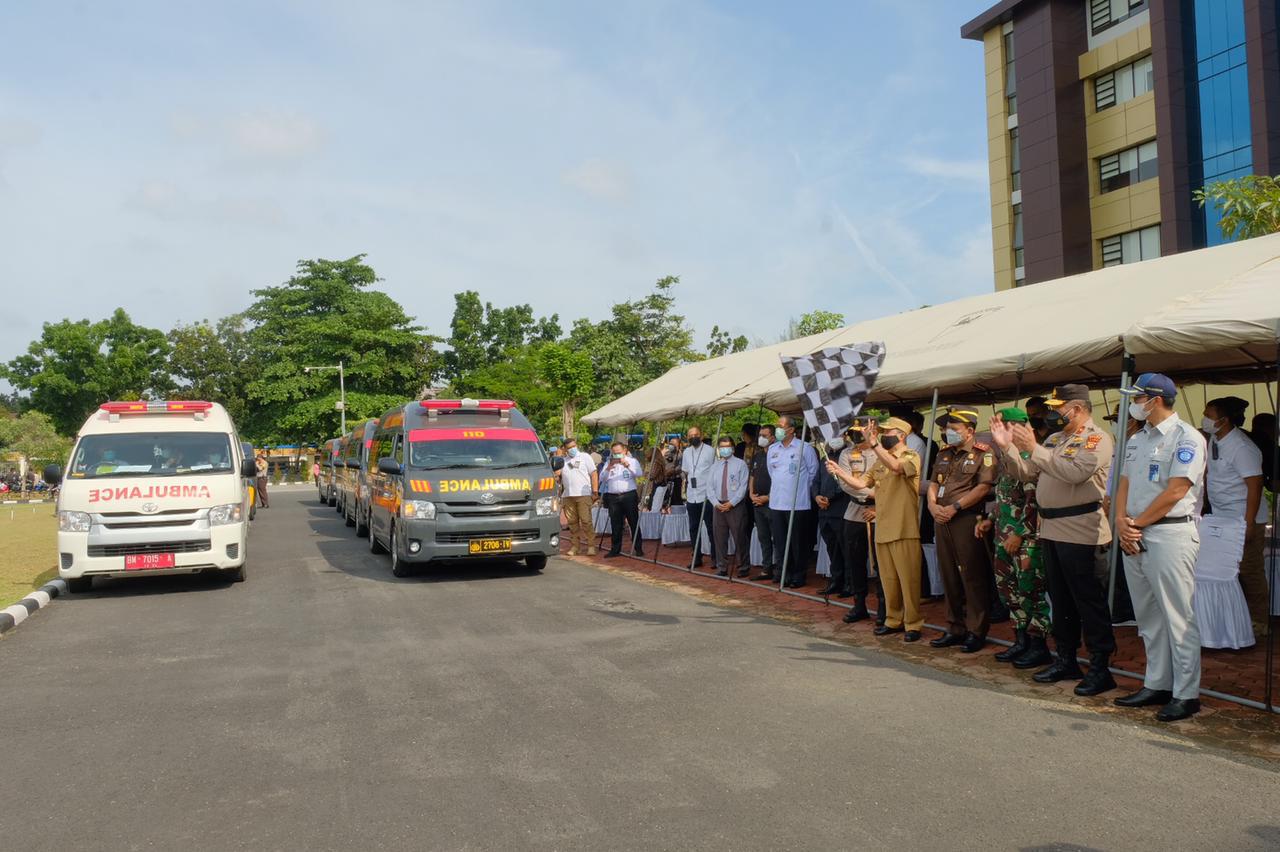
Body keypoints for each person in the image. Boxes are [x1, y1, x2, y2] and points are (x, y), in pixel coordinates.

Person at [994, 384, 1117, 695]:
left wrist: (1034, 448)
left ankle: (1101, 667)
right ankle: (1067, 659)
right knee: (1060, 601)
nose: (1053, 413)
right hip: (1051, 530)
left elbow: (1075, 472)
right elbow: (1027, 473)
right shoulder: (1054, 439)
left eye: (1058, 407)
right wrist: (1008, 447)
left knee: (1088, 603)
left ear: (1075, 409)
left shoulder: (1095, 438)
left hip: (1082, 531)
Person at [1113, 374, 1208, 721]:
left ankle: (1187, 693)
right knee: (1149, 617)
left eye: (1137, 398)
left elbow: (1177, 490)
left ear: (1154, 400)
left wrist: (1135, 524)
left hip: (1169, 535)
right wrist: (1122, 521)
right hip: (1135, 533)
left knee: (1177, 617)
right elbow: (1124, 482)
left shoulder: (1187, 438)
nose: (1133, 404)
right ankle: (1157, 683)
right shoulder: (1138, 439)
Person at [827, 417, 924, 642]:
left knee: (908, 580)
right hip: (883, 526)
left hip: (904, 528)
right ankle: (893, 619)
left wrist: (874, 445)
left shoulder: (911, 456)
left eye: (887, 432)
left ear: (901, 435)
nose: (882, 435)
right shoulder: (880, 461)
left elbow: (897, 468)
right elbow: (861, 484)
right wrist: (838, 472)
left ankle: (913, 624)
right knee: (889, 579)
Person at [981, 407, 1051, 668]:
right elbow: (1006, 499)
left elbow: (1036, 502)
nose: (997, 430)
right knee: (1009, 593)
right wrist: (989, 521)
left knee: (1030, 592)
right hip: (1003, 537)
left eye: (1003, 425)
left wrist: (1020, 534)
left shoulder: (1030, 457)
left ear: (1017, 427)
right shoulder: (1006, 457)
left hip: (1026, 541)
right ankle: (1021, 640)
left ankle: (1038, 645)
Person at [1193, 396, 1263, 647]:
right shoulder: (1214, 439)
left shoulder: (1242, 447)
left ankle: (1259, 621)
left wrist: (1249, 523)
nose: (1205, 418)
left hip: (1243, 515)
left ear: (1224, 420)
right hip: (1220, 516)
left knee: (1249, 570)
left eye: (1208, 415)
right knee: (1221, 572)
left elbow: (1254, 487)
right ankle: (1228, 622)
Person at [927, 408, 996, 652]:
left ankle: (976, 631)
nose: (949, 433)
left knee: (971, 575)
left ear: (970, 431)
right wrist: (932, 505)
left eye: (954, 429)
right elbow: (934, 482)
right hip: (941, 519)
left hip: (966, 518)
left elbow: (983, 487)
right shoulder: (945, 454)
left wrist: (955, 506)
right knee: (948, 574)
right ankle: (954, 627)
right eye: (947, 429)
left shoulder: (983, 455)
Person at [837, 422, 885, 621]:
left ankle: (884, 608)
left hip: (880, 513)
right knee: (855, 562)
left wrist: (878, 502)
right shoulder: (846, 454)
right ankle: (859, 605)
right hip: (855, 512)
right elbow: (846, 483)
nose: (856, 437)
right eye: (853, 433)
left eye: (861, 433)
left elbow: (890, 483)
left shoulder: (883, 452)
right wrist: (872, 493)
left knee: (882, 565)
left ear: (873, 432)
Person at [767, 415, 819, 588]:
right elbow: (772, 473)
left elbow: (813, 473)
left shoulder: (805, 448)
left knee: (798, 543)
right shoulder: (773, 449)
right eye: (777, 426)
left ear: (791, 429)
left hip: (798, 503)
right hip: (777, 502)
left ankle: (799, 574)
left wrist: (802, 490)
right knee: (780, 542)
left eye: (781, 426)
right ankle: (785, 573)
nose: (778, 429)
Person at [710, 436, 751, 577]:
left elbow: (743, 487)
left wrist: (732, 503)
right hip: (718, 506)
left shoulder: (740, 464)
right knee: (720, 538)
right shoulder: (714, 466)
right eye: (722, 447)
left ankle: (743, 567)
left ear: (732, 448)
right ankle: (722, 567)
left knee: (739, 537)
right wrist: (716, 503)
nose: (724, 449)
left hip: (735, 506)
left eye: (727, 446)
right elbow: (709, 488)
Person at [815, 436, 851, 595]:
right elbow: (815, 481)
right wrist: (816, 496)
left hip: (840, 509)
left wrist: (829, 498)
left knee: (846, 548)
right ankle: (836, 580)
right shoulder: (825, 458)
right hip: (824, 512)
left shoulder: (848, 456)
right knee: (832, 548)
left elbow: (846, 483)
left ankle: (849, 583)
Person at [601, 441, 644, 558]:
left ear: (624, 451)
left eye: (619, 453)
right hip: (613, 496)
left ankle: (638, 548)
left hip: (629, 495)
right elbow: (602, 479)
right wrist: (609, 468)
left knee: (633, 522)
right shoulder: (609, 462)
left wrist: (627, 465)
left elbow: (639, 474)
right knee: (616, 524)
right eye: (614, 453)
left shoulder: (632, 461)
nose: (616, 455)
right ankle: (615, 549)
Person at [681, 426, 717, 568]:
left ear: (701, 436)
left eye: (696, 434)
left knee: (710, 528)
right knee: (693, 528)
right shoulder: (686, 452)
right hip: (691, 495)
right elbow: (685, 470)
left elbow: (715, 471)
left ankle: (715, 558)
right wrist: (683, 475)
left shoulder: (710, 451)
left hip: (706, 495)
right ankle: (696, 557)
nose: (693, 437)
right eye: (690, 435)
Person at [560, 437, 599, 557]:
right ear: (565, 449)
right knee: (572, 523)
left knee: (586, 521)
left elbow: (593, 473)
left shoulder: (584, 457)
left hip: (583, 494)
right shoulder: (564, 461)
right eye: (569, 448)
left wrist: (595, 491)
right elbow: (560, 478)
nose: (572, 449)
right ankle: (575, 546)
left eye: (573, 446)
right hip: (568, 495)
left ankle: (591, 546)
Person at [749, 424, 778, 581]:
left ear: (773, 437)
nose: (761, 438)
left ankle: (780, 569)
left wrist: (768, 497)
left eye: (764, 435)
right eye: (760, 435)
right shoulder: (758, 455)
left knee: (777, 538)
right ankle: (767, 568)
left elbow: (780, 480)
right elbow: (752, 476)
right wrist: (751, 494)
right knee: (763, 537)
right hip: (757, 502)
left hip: (772, 503)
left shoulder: (778, 454)